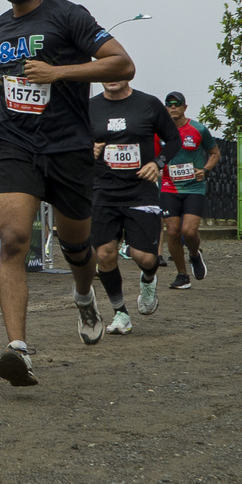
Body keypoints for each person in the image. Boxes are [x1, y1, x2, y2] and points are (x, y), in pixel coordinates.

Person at [0, 0, 136, 386]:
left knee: (76, 246)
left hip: (67, 147)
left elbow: (122, 63)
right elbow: (10, 72)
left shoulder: (68, 15)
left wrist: (58, 73)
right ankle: (18, 349)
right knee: (13, 239)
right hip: (14, 142)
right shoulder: (0, 26)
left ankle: (83, 295)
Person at [87, 79, 182, 335]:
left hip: (140, 190)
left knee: (145, 258)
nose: (112, 77)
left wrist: (158, 163)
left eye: (118, 71)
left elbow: (174, 139)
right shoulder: (89, 107)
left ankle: (148, 279)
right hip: (103, 191)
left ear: (128, 73)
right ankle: (120, 313)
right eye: (107, 72)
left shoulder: (148, 104)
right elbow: (72, 143)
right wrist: (86, 150)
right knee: (105, 255)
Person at [157, 91, 220, 289]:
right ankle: (182, 275)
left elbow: (215, 153)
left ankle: (194, 254)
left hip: (194, 187)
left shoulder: (198, 129)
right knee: (173, 231)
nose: (173, 107)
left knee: (189, 232)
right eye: (169, 104)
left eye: (177, 104)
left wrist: (205, 170)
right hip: (169, 187)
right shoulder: (159, 132)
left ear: (185, 107)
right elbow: (152, 153)